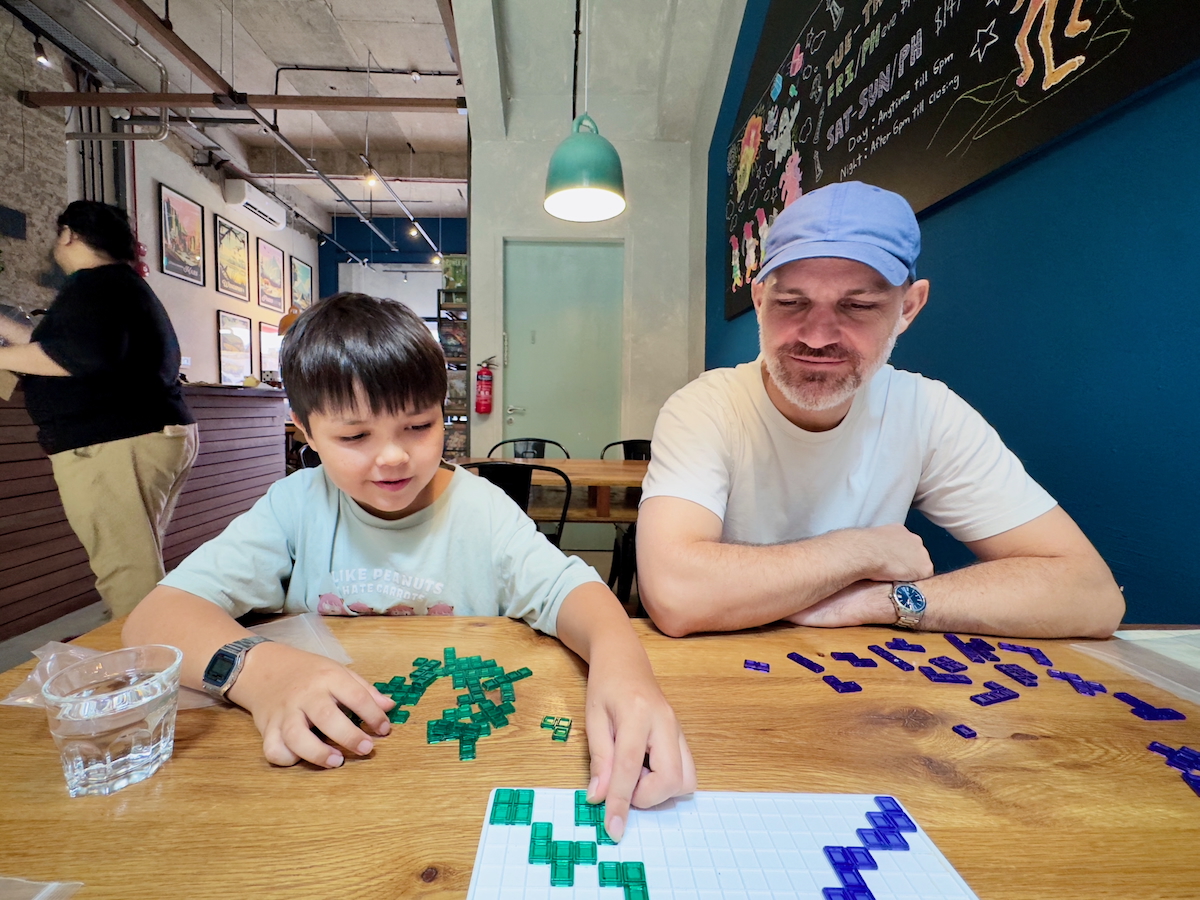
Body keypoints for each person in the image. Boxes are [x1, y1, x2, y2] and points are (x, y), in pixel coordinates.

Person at [123, 293, 695, 839]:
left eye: (419, 427)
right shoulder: (295, 505)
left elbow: (573, 592)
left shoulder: (481, 510)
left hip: (458, 779)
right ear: (305, 429)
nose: (394, 456)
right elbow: (155, 618)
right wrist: (263, 673)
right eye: (355, 435)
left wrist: (623, 665)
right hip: (323, 785)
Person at [636, 181, 1124, 639]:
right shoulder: (708, 407)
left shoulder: (927, 411)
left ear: (908, 307)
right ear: (761, 301)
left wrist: (883, 602)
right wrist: (862, 550)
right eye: (791, 302)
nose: (817, 336)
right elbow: (676, 595)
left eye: (858, 306)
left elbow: (1091, 594)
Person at [0, 201, 197, 618]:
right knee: (136, 560)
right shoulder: (116, 285)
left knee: (126, 569)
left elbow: (74, 356)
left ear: (69, 234)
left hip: (111, 441)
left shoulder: (93, 286)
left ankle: (146, 652)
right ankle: (146, 640)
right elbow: (60, 345)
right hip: (143, 432)